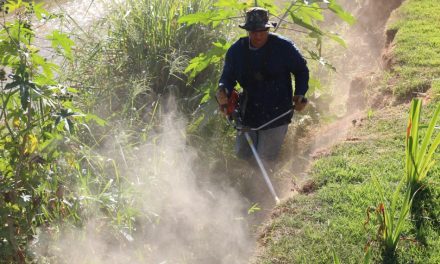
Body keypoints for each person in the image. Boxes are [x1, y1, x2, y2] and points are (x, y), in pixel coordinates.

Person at [216, 7, 309, 161]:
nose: (258, 35)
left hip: (277, 111)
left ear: (268, 29)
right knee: (242, 153)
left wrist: (300, 93)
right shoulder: (236, 51)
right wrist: (222, 90)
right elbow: (227, 77)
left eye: (261, 31)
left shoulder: (284, 47)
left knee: (264, 159)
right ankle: (250, 179)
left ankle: (261, 183)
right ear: (247, 31)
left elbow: (301, 70)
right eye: (253, 31)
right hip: (249, 110)